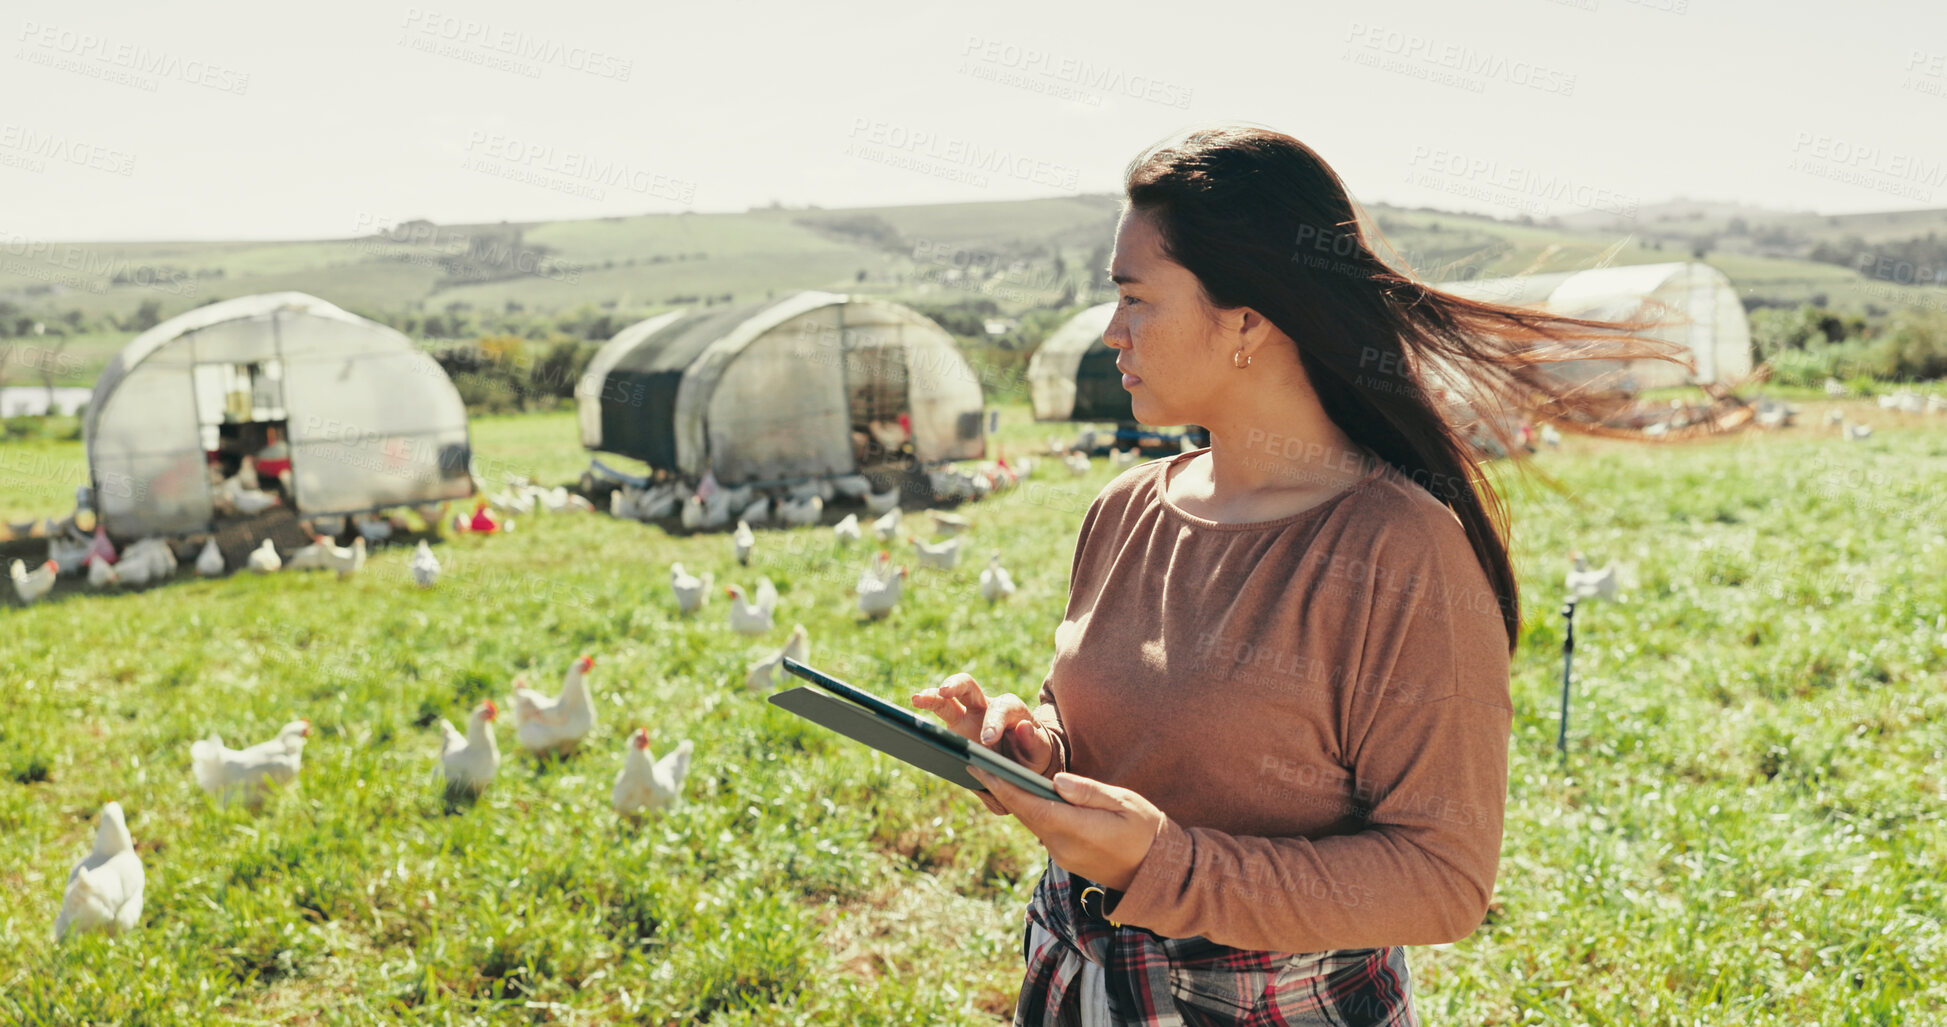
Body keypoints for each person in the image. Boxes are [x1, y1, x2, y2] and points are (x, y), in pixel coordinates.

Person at [913, 124, 1688, 1026]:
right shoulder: (1123, 508)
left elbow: (1443, 879)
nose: (1113, 333)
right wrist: (1036, 744)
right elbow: (1121, 721)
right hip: (1077, 983)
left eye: (1134, 299)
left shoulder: (1401, 554)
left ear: (1246, 319)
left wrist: (1166, 866)